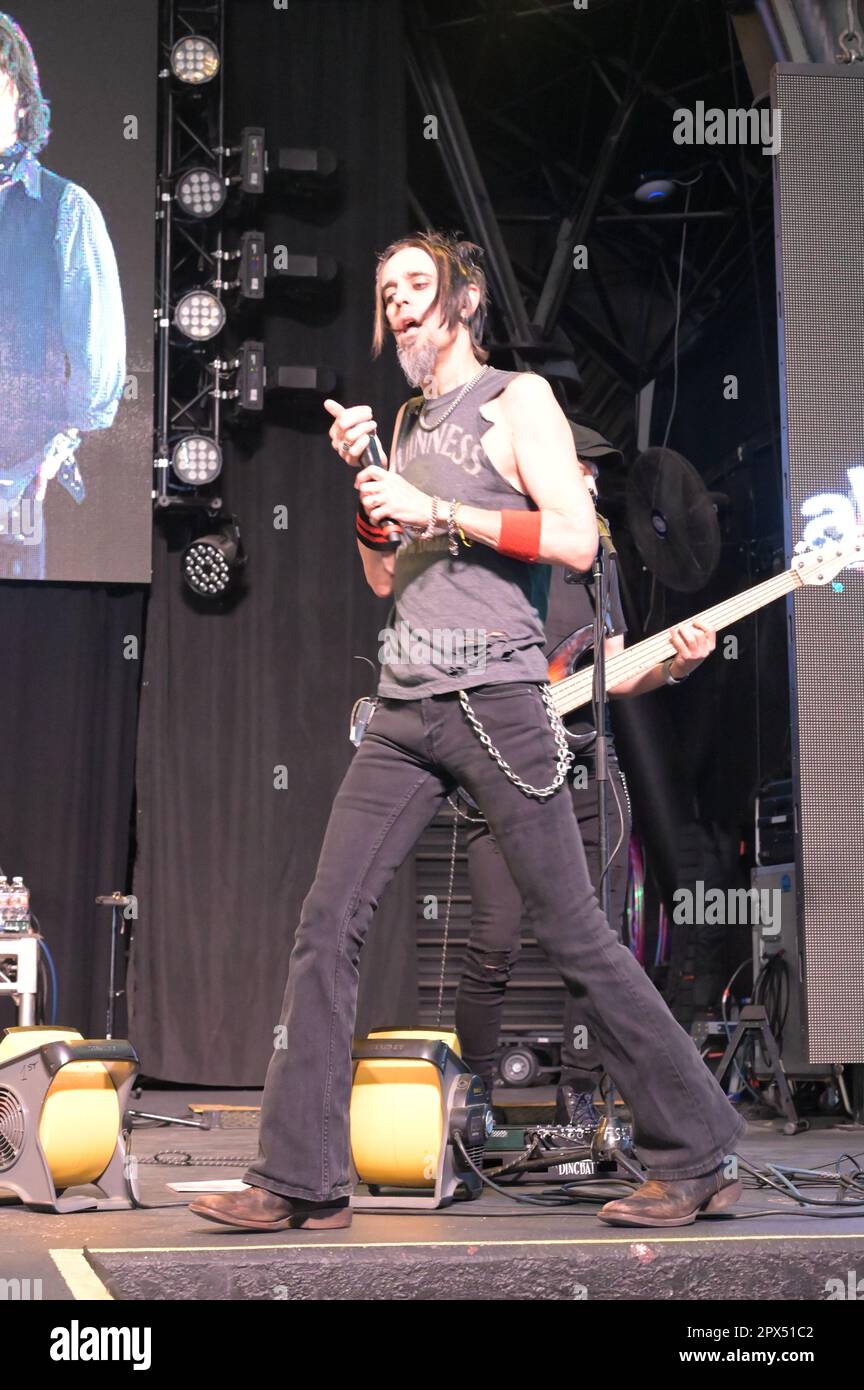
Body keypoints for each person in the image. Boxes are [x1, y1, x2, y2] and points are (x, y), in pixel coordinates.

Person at [189, 229, 746, 1234]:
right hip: (406, 705)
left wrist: (436, 504)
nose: (398, 303)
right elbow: (380, 575)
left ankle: (698, 1148)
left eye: (415, 284)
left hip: (497, 703)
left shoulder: (516, 402)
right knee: (329, 921)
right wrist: (371, 496)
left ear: (465, 299)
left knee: (577, 935)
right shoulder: (402, 421)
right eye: (386, 289)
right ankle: (300, 1176)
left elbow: (574, 535)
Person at [454, 443, 716, 1127]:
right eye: (579, 468)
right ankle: (472, 1099)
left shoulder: (600, 558)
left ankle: (580, 1096)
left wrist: (676, 667)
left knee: (596, 938)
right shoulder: (498, 548)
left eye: (595, 473)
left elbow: (615, 667)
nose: (593, 482)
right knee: (495, 939)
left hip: (582, 762)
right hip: (505, 767)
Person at [0, 12, 125, 580]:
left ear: (21, 99)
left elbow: (98, 372)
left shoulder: (65, 209)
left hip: (17, 484)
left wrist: (51, 455)